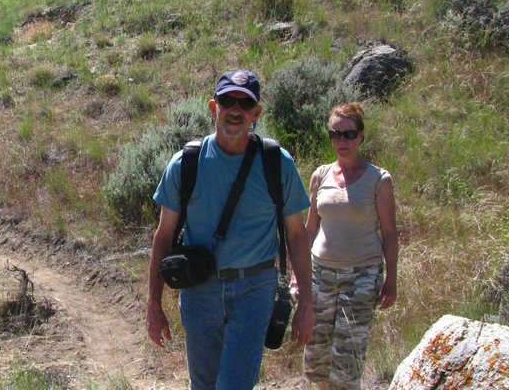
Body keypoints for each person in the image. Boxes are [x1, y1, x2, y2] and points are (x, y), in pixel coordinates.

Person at [146, 69, 315, 390]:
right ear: (214, 107)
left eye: (244, 103)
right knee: (205, 385)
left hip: (255, 290)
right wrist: (154, 304)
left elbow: (297, 234)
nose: (235, 110)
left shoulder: (277, 163)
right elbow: (163, 236)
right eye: (227, 101)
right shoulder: (186, 164)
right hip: (199, 292)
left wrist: (306, 302)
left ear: (256, 113)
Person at [303, 102, 398, 390]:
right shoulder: (320, 175)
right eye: (335, 134)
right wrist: (299, 274)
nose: (342, 141)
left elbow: (390, 233)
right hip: (321, 273)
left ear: (361, 137)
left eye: (349, 134)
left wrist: (391, 280)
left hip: (361, 276)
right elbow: (310, 228)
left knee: (347, 359)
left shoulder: (378, 180)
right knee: (316, 357)